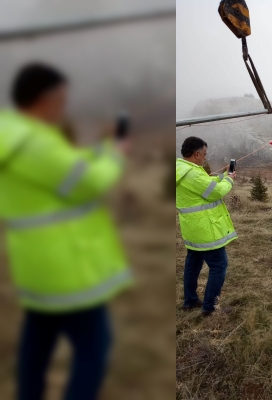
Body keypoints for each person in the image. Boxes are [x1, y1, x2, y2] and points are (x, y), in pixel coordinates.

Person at [0, 63, 131, 400]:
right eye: (61, 100)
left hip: (35, 260)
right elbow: (87, 182)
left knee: (37, 344)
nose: (62, 109)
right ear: (44, 99)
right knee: (94, 347)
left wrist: (101, 150)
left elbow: (64, 167)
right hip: (69, 266)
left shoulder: (11, 133)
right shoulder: (33, 141)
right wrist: (115, 156)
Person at [176, 137, 238, 317]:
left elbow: (206, 186)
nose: (205, 157)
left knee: (193, 265)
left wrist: (224, 176)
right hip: (206, 229)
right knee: (219, 265)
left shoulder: (180, 169)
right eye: (204, 154)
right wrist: (230, 181)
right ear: (196, 154)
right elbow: (216, 191)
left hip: (192, 229)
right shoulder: (192, 174)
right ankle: (210, 307)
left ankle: (190, 301)